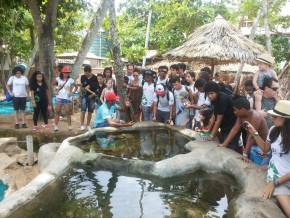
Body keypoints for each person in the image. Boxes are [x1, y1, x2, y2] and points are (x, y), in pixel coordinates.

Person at [245, 100, 290, 217]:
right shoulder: (273, 130)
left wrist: (274, 183)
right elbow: (265, 149)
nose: (272, 118)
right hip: (278, 179)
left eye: (275, 116)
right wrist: (254, 133)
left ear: (285, 118)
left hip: (282, 179)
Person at [218, 97, 269, 164]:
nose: (234, 112)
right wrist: (224, 144)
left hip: (260, 147)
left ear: (242, 109)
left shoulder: (256, 116)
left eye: (235, 110)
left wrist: (245, 155)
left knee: (255, 165)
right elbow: (234, 129)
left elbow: (252, 136)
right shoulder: (240, 116)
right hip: (251, 144)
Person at [204, 82, 240, 153]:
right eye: (208, 94)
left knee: (229, 148)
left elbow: (218, 120)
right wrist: (208, 130)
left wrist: (211, 136)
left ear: (217, 92)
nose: (210, 96)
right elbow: (214, 116)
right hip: (224, 126)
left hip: (232, 125)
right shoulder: (214, 100)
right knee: (222, 143)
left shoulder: (222, 99)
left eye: (211, 93)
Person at [54, 65, 76, 132]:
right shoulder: (58, 79)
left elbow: (76, 87)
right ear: (62, 72)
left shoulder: (71, 80)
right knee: (57, 111)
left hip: (67, 98)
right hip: (59, 98)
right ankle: (56, 126)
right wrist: (56, 90)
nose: (67, 74)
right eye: (65, 72)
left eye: (68, 73)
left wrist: (72, 93)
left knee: (68, 112)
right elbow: (54, 85)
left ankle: (69, 126)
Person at [80, 65, 98, 131]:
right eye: (85, 72)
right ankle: (82, 125)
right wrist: (80, 95)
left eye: (87, 73)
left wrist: (93, 95)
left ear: (90, 71)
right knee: (83, 110)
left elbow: (96, 88)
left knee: (90, 111)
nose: (86, 74)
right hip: (84, 96)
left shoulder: (95, 78)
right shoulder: (82, 77)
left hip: (92, 96)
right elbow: (82, 86)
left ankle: (88, 125)